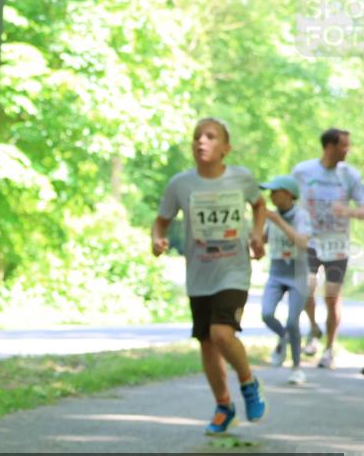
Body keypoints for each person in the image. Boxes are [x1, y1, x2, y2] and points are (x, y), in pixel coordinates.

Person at [151, 118, 268, 435]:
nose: (201, 141)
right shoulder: (180, 184)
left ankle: (248, 383)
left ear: (225, 148)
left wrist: (257, 235)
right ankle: (224, 407)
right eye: (196, 137)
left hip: (234, 270)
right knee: (207, 343)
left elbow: (260, 206)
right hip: (200, 274)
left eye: (210, 136)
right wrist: (157, 239)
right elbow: (160, 221)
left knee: (221, 332)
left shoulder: (241, 178)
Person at [292, 128, 364, 369]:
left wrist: (348, 211)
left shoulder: (350, 176)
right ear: (330, 147)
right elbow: (287, 199)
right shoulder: (303, 171)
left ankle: (330, 348)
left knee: (332, 297)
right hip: (310, 241)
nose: (347, 150)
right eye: (344, 145)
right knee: (306, 288)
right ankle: (314, 329)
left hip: (337, 244)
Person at [259, 176, 312, 385]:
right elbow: (262, 239)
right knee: (266, 314)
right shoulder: (270, 217)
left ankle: (297, 367)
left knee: (292, 322)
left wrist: (277, 221)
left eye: (274, 191)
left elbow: (301, 242)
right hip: (276, 272)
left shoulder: (301, 215)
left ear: (288, 194)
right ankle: (283, 337)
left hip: (297, 274)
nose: (270, 195)